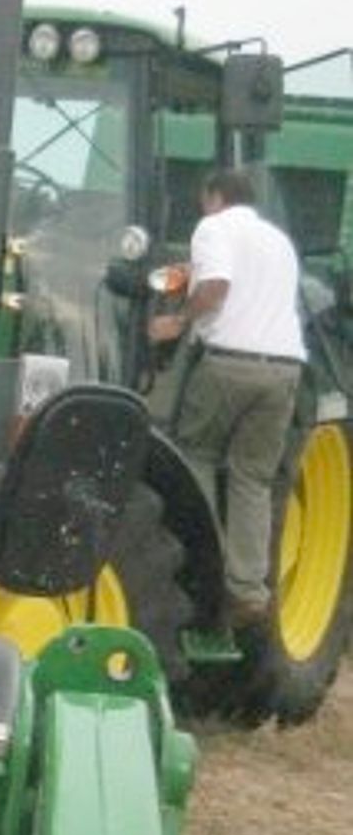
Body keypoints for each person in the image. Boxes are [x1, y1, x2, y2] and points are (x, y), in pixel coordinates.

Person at [149, 167, 305, 629]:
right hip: (284, 370)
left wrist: (176, 322)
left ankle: (207, 569)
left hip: (229, 364)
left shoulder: (213, 227)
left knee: (193, 456)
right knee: (252, 479)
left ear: (214, 196)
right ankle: (249, 590)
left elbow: (216, 288)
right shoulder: (277, 240)